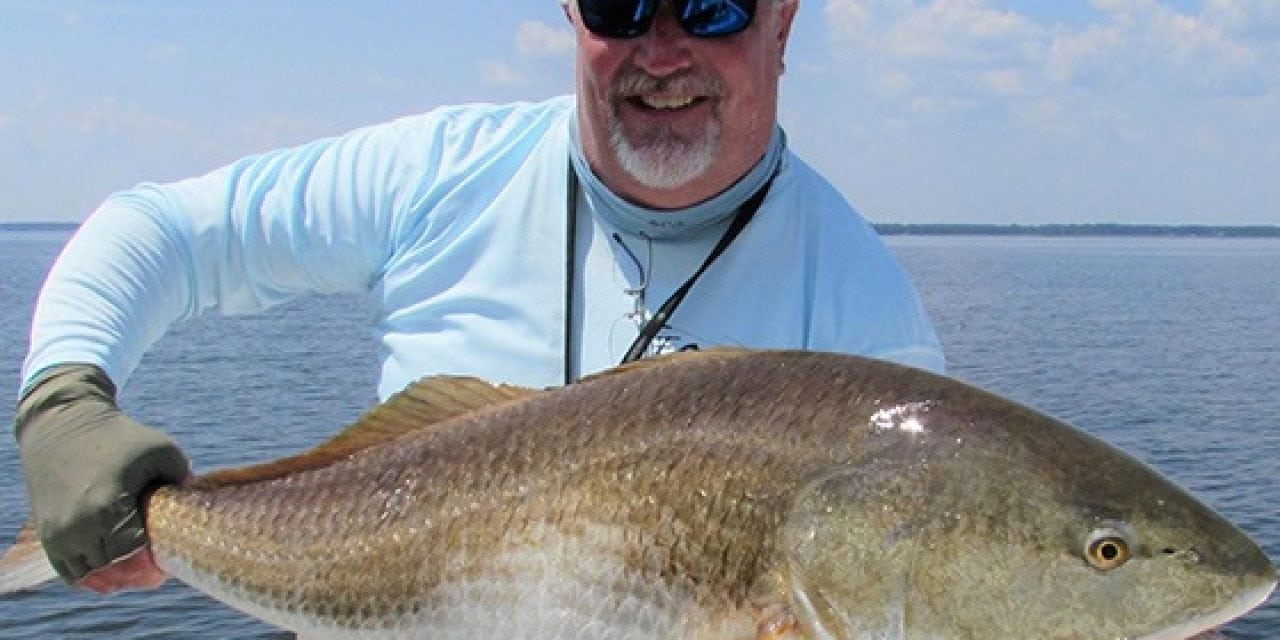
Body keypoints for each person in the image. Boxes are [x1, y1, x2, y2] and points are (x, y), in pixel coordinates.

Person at [14, 0, 943, 595]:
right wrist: (64, 406)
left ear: (782, 22)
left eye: (714, 6)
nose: (663, 52)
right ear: (571, 14)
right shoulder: (442, 172)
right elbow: (160, 232)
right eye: (622, 6)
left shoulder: (870, 330)